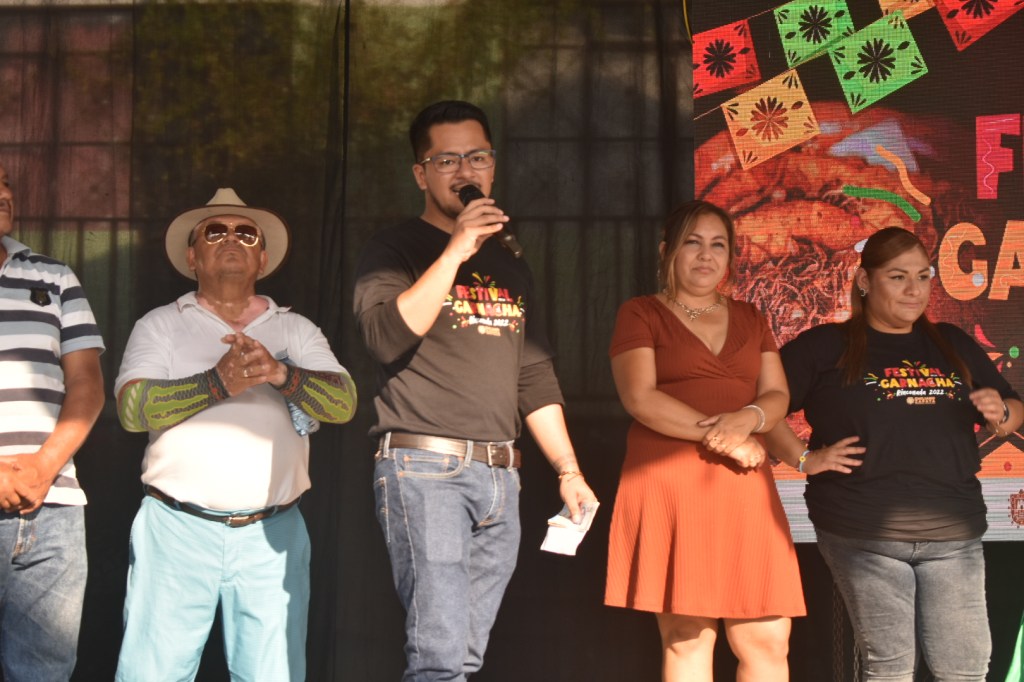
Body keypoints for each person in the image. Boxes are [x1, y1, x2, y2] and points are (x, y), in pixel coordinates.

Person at [353, 100, 598, 681]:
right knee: (438, 658)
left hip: (500, 477)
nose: (465, 171)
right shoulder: (393, 249)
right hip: (425, 468)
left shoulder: (511, 264)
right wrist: (456, 250)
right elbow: (384, 337)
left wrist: (568, 469)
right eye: (448, 160)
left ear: (493, 167)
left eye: (478, 157)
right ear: (421, 174)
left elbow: (532, 375)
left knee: (463, 657)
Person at [113, 188, 357, 681]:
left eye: (246, 234)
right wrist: (217, 383)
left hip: (273, 531)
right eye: (215, 232)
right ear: (192, 256)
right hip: (175, 528)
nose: (231, 240)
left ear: (262, 259)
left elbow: (345, 403)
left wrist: (281, 374)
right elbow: (131, 411)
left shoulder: (296, 329)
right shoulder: (161, 324)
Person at [766, 226, 1023, 681]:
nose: (914, 289)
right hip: (863, 533)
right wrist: (805, 459)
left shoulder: (951, 342)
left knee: (965, 669)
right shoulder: (825, 346)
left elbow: (1013, 409)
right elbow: (762, 410)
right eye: (898, 277)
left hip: (953, 533)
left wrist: (1000, 411)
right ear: (865, 280)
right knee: (891, 668)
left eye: (923, 276)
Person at [606, 199, 805, 682]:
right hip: (672, 481)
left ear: (731, 256)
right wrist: (726, 438)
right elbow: (640, 398)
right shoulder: (640, 312)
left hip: (744, 486)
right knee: (688, 635)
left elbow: (777, 395)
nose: (705, 255)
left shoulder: (751, 316)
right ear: (667, 252)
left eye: (718, 245)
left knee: (767, 638)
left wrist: (749, 419)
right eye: (692, 243)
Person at [0, 162, 105, 680]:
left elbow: (87, 383)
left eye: (4, 183)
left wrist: (43, 467)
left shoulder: (54, 276)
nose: (2, 192)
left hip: (50, 511)